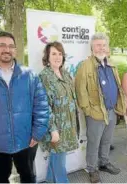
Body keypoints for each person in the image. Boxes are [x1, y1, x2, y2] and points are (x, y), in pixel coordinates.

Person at [0, 31, 49, 183]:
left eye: (10, 46)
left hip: (27, 142)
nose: (6, 49)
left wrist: (37, 133)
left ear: (15, 50)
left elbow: (41, 105)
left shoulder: (29, 75)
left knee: (28, 177)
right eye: (2, 45)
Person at [75, 33, 126, 183]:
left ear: (107, 47)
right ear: (92, 47)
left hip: (111, 111)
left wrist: (118, 106)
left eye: (104, 45)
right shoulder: (85, 65)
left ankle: (104, 163)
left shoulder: (111, 65)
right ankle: (92, 169)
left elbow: (117, 86)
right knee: (94, 142)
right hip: (96, 113)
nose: (101, 48)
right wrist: (88, 110)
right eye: (98, 45)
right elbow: (80, 90)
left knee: (106, 140)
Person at [39, 41, 79, 183]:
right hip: (56, 128)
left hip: (68, 126)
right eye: (54, 54)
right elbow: (44, 106)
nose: (57, 57)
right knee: (59, 162)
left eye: (60, 54)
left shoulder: (66, 74)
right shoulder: (45, 76)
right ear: (47, 57)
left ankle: (50, 180)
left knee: (56, 158)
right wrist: (53, 129)